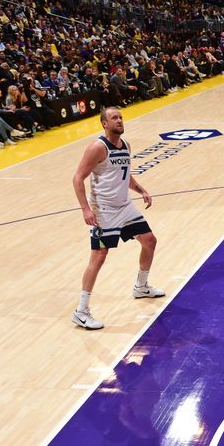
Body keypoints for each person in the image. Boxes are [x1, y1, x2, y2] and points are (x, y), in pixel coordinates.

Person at [71, 107, 165, 330]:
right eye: (115, 118)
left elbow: (125, 174)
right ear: (104, 123)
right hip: (104, 210)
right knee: (100, 255)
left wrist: (140, 189)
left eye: (121, 117)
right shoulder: (97, 147)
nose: (120, 121)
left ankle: (141, 287)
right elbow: (77, 178)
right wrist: (86, 209)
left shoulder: (126, 145)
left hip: (124, 206)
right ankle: (81, 311)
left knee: (149, 241)